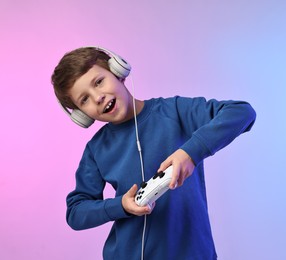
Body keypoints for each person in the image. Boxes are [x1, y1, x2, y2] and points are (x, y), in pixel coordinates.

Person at [51, 46, 256, 260]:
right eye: (84, 99)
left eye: (99, 81)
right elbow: (76, 212)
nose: (98, 97)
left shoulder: (174, 111)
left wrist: (190, 153)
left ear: (118, 72)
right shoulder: (96, 150)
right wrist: (120, 205)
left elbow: (242, 112)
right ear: (82, 115)